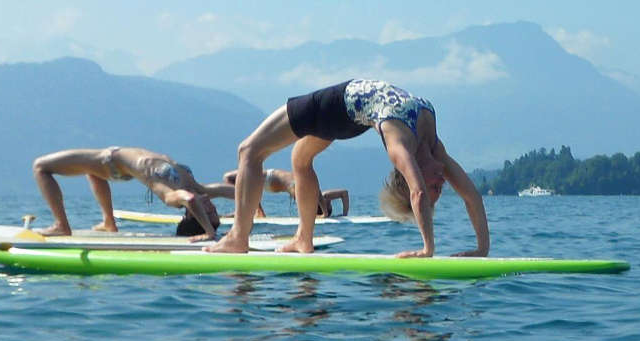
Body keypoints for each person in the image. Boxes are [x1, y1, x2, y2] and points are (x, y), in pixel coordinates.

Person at [206, 79, 488, 256]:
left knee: (248, 151)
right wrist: (482, 248)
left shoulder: (400, 146)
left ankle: (237, 238)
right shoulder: (435, 148)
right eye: (440, 186)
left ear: (409, 170)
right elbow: (471, 195)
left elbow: (418, 193)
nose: (442, 180)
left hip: (336, 107)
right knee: (300, 160)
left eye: (436, 186)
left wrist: (428, 249)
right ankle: (304, 239)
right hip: (350, 118)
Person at [31, 147, 227, 239]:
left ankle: (61, 226)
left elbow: (190, 199)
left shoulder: (174, 196)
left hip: (110, 161)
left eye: (208, 213)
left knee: (41, 167)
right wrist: (254, 196)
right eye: (214, 211)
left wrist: (209, 233)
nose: (212, 206)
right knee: (93, 173)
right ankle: (109, 222)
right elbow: (231, 191)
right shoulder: (199, 188)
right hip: (117, 165)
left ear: (192, 214)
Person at [222, 169, 351, 218]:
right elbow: (344, 193)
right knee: (229, 178)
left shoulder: (311, 196)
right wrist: (343, 214)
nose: (327, 200)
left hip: (271, 180)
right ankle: (253, 211)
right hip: (271, 180)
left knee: (230, 178)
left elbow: (319, 193)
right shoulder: (318, 195)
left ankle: (254, 211)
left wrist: (325, 213)